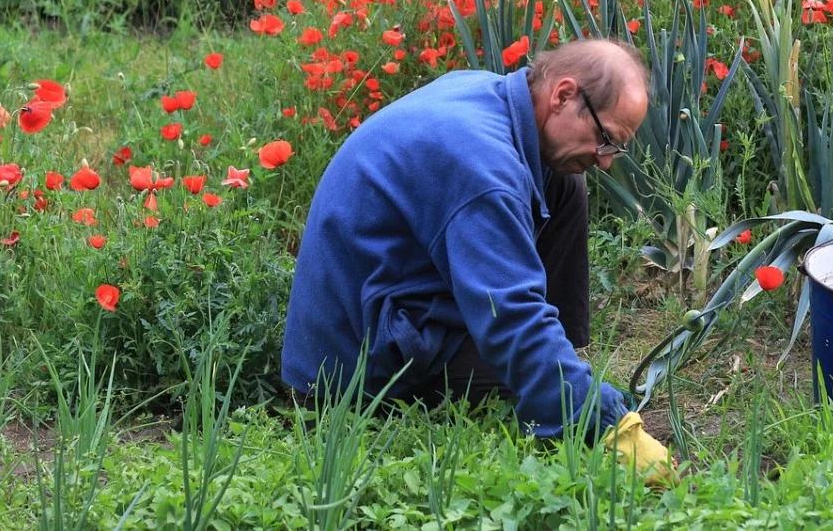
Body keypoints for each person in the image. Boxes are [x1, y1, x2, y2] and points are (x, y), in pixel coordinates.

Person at [282, 38, 673, 484]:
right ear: (564, 95)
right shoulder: (482, 168)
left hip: (394, 296)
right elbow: (509, 315)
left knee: (567, 182)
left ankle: (558, 363)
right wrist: (598, 417)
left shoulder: (494, 98)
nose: (606, 161)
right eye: (606, 139)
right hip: (352, 365)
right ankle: (558, 393)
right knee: (529, 369)